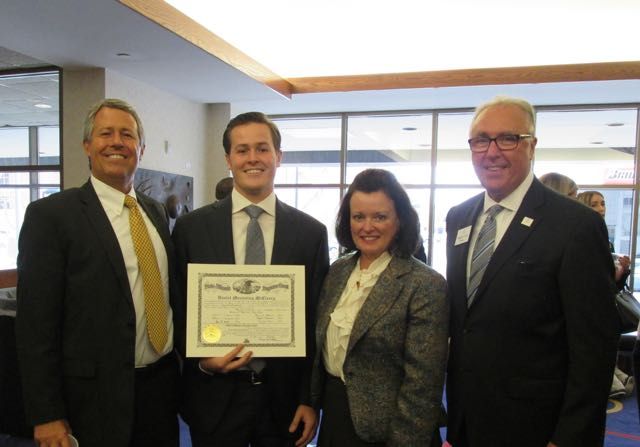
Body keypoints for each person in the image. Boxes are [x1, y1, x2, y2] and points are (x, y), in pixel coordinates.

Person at [445, 96, 619, 447]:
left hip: (537, 428)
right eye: (481, 140)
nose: (492, 152)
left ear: (532, 145)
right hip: (468, 420)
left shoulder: (575, 225)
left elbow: (594, 349)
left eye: (508, 138)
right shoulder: (458, 217)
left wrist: (569, 438)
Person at [15, 99, 180, 447]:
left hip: (160, 392)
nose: (117, 142)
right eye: (106, 134)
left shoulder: (154, 212)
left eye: (127, 135)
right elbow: (35, 327)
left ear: (141, 148)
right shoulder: (52, 216)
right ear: (87, 146)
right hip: (91, 401)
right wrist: (46, 414)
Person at [172, 111, 329, 447]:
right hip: (213, 397)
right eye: (242, 150)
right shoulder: (191, 229)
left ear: (278, 156)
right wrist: (201, 361)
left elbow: (316, 323)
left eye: (262, 148)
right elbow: (179, 306)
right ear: (228, 159)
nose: (252, 158)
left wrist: (309, 399)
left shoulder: (310, 233)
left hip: (284, 403)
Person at [310, 169, 447, 446]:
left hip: (393, 430)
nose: (367, 227)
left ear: (400, 220)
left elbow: (423, 384)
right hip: (335, 419)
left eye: (380, 217)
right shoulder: (337, 272)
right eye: (358, 216)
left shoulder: (424, 283)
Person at [577, 190, 634, 398]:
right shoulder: (577, 236)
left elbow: (611, 284)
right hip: (585, 305)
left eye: (602, 203)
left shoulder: (604, 239)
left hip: (603, 304)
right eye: (594, 204)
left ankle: (616, 378)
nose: (601, 209)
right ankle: (613, 381)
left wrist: (622, 272)